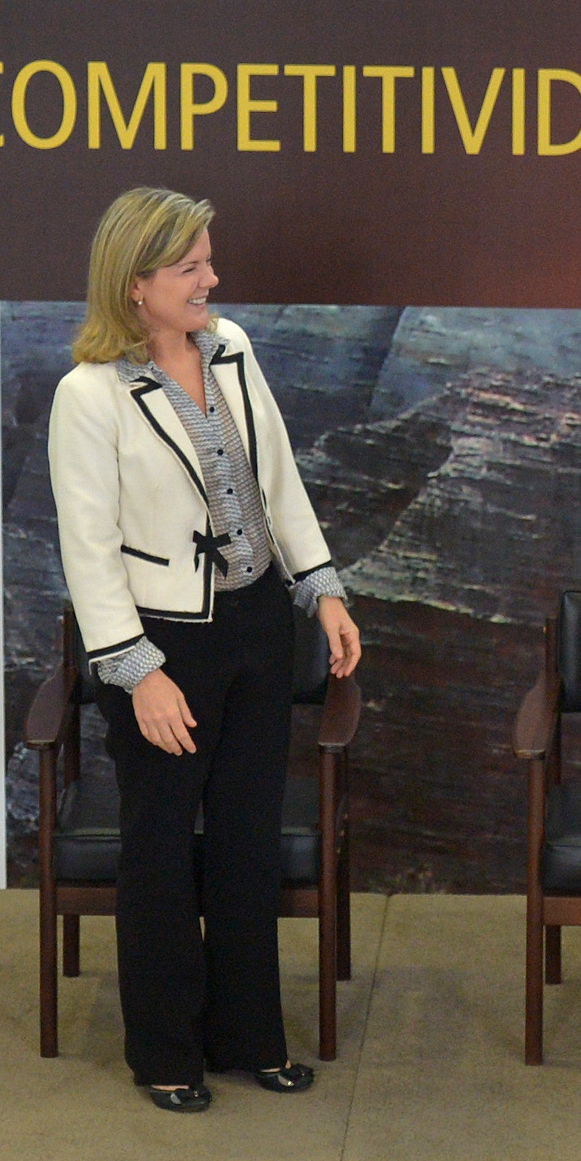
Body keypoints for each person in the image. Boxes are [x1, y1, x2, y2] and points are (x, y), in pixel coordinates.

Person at [48, 187, 362, 1112]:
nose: (211, 279)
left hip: (259, 628)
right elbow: (87, 550)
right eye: (190, 267)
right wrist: (136, 669)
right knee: (158, 849)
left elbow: (280, 478)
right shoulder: (88, 394)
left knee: (244, 840)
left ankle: (250, 1037)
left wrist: (322, 585)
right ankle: (165, 1052)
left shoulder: (231, 349)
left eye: (207, 260)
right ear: (136, 283)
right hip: (163, 645)